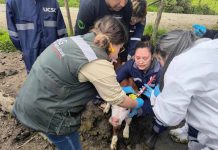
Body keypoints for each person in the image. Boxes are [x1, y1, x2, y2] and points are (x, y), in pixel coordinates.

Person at [12, 16, 145, 150]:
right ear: (111, 45)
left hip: (27, 100)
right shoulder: (96, 61)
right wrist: (137, 103)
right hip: (47, 114)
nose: (117, 56)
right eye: (120, 49)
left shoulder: (74, 40)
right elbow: (118, 99)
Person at [144, 30, 218, 150]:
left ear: (168, 54)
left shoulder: (179, 64)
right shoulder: (212, 45)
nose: (161, 66)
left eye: (159, 60)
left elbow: (169, 117)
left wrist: (155, 98)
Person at [6, 0, 67, 73]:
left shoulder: (52, 2)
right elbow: (13, 34)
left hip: (52, 54)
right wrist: (26, 51)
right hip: (31, 56)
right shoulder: (13, 2)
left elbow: (62, 31)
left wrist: (61, 52)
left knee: (54, 79)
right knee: (34, 78)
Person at [116, 41, 162, 117]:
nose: (140, 61)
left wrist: (141, 110)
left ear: (152, 57)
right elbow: (115, 78)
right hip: (138, 95)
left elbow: (161, 101)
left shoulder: (160, 72)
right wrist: (120, 89)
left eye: (145, 58)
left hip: (154, 101)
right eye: (137, 58)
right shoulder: (131, 65)